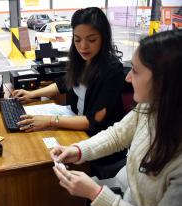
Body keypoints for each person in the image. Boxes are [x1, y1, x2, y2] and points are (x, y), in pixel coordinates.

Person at [51, 29, 182, 206]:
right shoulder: (151, 107)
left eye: (135, 71)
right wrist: (77, 150)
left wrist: (96, 194)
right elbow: (117, 135)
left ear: (164, 81)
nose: (128, 78)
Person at [12, 7, 124, 136]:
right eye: (77, 39)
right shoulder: (81, 59)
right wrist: (31, 94)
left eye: (91, 40)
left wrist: (49, 121)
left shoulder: (113, 70)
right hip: (77, 126)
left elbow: (94, 120)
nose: (83, 46)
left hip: (98, 138)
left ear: (104, 38)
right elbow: (63, 83)